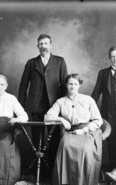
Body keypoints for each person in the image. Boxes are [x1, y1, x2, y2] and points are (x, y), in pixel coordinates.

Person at [44, 74, 103, 185]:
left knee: (85, 148)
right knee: (66, 146)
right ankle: (67, 182)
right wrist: (61, 119)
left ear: (79, 85)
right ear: (66, 85)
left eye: (75, 84)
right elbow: (47, 117)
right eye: (70, 83)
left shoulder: (87, 99)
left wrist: (84, 130)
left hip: (87, 131)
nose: (72, 86)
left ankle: (85, 183)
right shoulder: (61, 101)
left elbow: (98, 120)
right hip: (71, 131)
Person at [18, 34, 68, 169]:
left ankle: (52, 171)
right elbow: (23, 87)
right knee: (36, 140)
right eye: (41, 44)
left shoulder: (59, 61)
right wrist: (21, 109)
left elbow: (64, 85)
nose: (43, 46)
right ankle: (36, 171)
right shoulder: (31, 63)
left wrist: (64, 108)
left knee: (54, 139)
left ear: (51, 45)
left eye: (46, 43)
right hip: (35, 108)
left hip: (54, 107)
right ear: (37, 46)